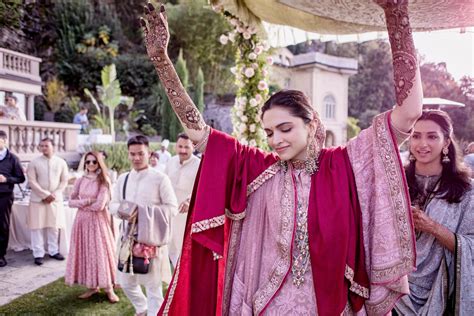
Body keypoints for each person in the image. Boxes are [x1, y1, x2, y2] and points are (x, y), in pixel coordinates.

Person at [142, 0, 423, 314]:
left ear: (311, 122)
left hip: (331, 304)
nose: (276, 140)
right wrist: (161, 61)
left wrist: (396, 15)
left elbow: (410, 112)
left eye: (285, 128)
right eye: (269, 132)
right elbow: (200, 133)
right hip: (270, 304)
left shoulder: (346, 163)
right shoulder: (262, 170)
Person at [394, 110, 473, 314]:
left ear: (446, 142)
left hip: (441, 294)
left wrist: (433, 227)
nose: (422, 144)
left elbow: (471, 246)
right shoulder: (394, 183)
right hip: (394, 293)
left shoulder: (466, 192)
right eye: (416, 136)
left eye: (432, 136)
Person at [109, 135, 178, 316]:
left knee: (153, 286)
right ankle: (141, 308)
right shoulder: (123, 179)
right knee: (125, 282)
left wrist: (143, 213)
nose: (136, 158)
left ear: (149, 153)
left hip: (150, 240)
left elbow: (172, 208)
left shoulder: (160, 179)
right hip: (127, 240)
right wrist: (124, 211)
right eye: (132, 154)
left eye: (140, 153)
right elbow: (112, 204)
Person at [65, 151, 119, 303]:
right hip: (81, 222)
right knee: (86, 252)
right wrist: (87, 201)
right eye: (88, 162)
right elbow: (70, 201)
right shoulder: (80, 180)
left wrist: (82, 204)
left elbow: (100, 205)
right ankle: (92, 286)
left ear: (99, 163)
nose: (90, 165)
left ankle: (109, 288)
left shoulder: (104, 181)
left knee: (100, 252)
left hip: (97, 222)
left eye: (94, 162)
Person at [27, 138, 69, 265]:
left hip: (55, 200)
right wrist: (45, 195)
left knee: (53, 226)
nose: (43, 148)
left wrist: (54, 194)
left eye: (46, 145)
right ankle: (38, 253)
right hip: (37, 199)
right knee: (36, 227)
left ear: (53, 146)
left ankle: (53, 251)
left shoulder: (61, 162)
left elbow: (64, 181)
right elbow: (32, 181)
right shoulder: (34, 162)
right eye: (41, 146)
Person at [165, 133, 200, 267]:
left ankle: (186, 281)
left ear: (193, 147)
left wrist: (189, 201)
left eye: (187, 147)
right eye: (180, 146)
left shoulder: (198, 164)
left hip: (187, 216)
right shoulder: (171, 162)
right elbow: (164, 184)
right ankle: (176, 281)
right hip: (169, 215)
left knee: (185, 249)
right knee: (170, 249)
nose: (183, 150)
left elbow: (201, 188)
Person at [0, 130, 26, 267]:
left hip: (4, 196)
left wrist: (6, 179)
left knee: (2, 226)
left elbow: (21, 178)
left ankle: (1, 255)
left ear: (4, 141)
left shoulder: (13, 158)